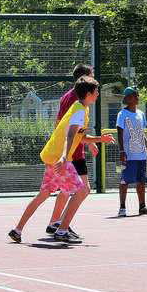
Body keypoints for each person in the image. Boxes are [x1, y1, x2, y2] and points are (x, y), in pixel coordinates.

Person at [9, 76, 111, 244]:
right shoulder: (79, 110)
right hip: (59, 157)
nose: (98, 94)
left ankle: (17, 230)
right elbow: (70, 135)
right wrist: (64, 157)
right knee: (82, 190)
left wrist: (99, 139)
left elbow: (80, 137)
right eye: (96, 91)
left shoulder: (80, 108)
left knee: (43, 194)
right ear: (88, 94)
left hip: (52, 155)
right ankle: (62, 230)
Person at [46, 64, 100, 239]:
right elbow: (70, 129)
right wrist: (85, 142)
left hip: (71, 150)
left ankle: (55, 222)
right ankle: (62, 226)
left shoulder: (67, 97)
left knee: (66, 189)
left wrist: (88, 141)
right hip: (72, 153)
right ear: (83, 79)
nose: (94, 78)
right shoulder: (76, 100)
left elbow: (64, 126)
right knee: (83, 189)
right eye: (91, 76)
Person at [117, 87, 147, 216]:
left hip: (141, 155)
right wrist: (122, 150)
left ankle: (142, 207)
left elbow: (141, 133)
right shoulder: (122, 114)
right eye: (135, 95)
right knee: (125, 180)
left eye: (137, 95)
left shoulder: (141, 114)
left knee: (141, 181)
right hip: (128, 155)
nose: (137, 98)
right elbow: (120, 132)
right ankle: (122, 208)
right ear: (128, 98)